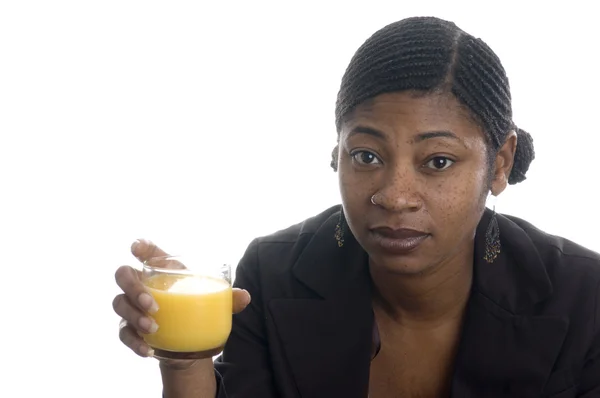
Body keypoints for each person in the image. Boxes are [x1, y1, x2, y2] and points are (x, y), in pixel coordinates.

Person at [112, 16, 600, 397]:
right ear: (336, 153)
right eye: (366, 155)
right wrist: (185, 359)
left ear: (500, 165)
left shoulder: (584, 296)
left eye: (437, 161)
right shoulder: (274, 274)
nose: (394, 195)